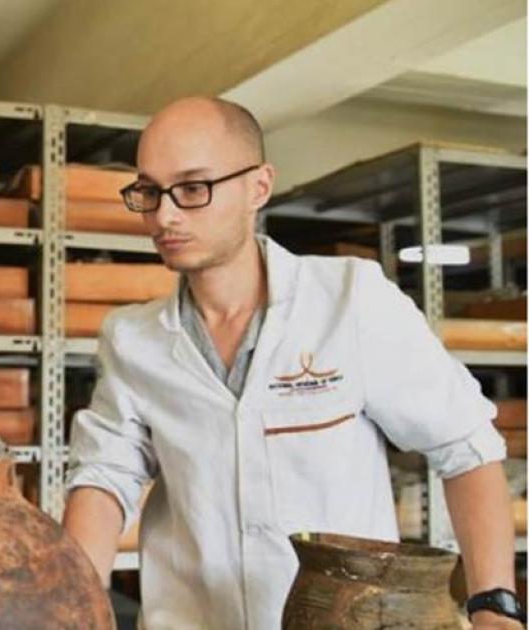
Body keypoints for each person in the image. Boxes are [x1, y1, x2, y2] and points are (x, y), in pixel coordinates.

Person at [63, 96, 523, 629]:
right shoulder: (132, 340)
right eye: (148, 191)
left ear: (258, 186)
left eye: (192, 189)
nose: (164, 215)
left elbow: (466, 447)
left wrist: (495, 606)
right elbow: (102, 478)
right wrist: (71, 607)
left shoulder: (351, 301)